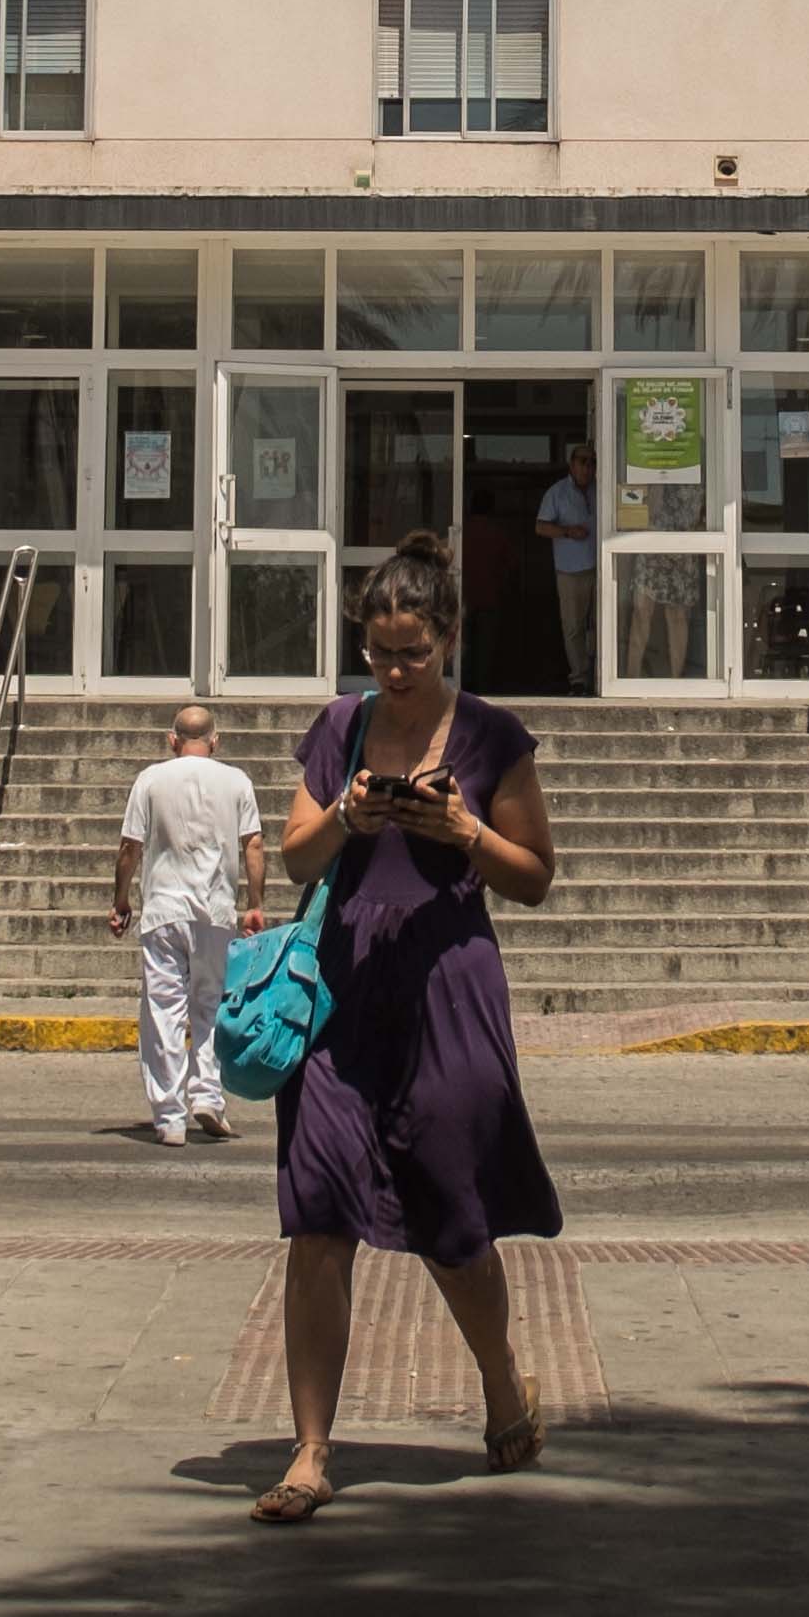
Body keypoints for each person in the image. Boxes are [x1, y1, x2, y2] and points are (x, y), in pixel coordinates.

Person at [255, 533, 561, 1523]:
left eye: (411, 653)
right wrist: (348, 810)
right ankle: (309, 1449)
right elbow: (298, 859)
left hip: (447, 985)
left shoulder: (489, 734)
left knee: (450, 1205)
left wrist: (462, 829)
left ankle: (502, 1380)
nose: (392, 671)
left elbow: (535, 875)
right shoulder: (339, 725)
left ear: (449, 637)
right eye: (379, 652)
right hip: (339, 990)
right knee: (315, 1208)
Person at [112, 702, 266, 1146]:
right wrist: (254, 903)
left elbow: (129, 845)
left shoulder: (151, 779)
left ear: (172, 740)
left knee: (164, 1010)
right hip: (215, 910)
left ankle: (170, 1116)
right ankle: (208, 1095)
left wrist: (121, 899)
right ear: (215, 741)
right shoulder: (237, 781)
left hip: (163, 910)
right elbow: (253, 843)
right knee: (210, 1005)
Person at [534, 441, 599, 690]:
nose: (588, 467)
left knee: (603, 624)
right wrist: (567, 531)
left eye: (592, 462)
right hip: (571, 570)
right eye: (583, 461)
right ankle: (580, 679)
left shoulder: (600, 489)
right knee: (574, 627)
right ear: (572, 465)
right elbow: (540, 527)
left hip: (603, 567)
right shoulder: (557, 492)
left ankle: (602, 676)